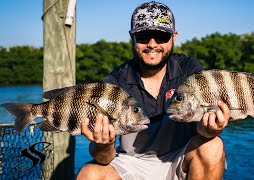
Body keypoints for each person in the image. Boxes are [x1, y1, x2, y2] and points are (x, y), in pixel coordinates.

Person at [77, 1, 230, 180]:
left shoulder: (190, 70)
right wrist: (103, 145)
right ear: (131, 37)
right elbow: (104, 158)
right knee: (90, 174)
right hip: (130, 163)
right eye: (143, 36)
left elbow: (202, 132)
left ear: (174, 36)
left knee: (213, 146)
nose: (152, 44)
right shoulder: (114, 82)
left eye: (161, 37)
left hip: (179, 158)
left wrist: (211, 130)